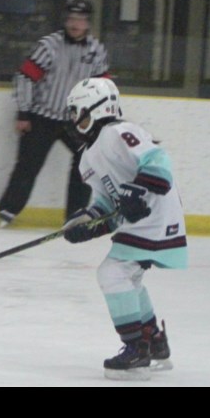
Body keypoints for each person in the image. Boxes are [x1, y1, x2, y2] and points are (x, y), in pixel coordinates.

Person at [62, 77, 186, 380]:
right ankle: (153, 341)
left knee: (113, 273)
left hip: (157, 217)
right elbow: (110, 206)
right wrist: (87, 222)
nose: (76, 120)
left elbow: (158, 162)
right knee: (126, 277)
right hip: (140, 222)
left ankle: (136, 349)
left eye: (80, 112)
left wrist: (137, 191)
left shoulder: (120, 132)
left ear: (99, 109)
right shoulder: (87, 159)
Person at [0, 0, 111, 228]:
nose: (75, 24)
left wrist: (100, 120)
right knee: (28, 166)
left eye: (81, 20)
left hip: (77, 121)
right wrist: (24, 113)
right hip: (43, 116)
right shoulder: (49, 45)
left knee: (86, 163)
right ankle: (7, 211)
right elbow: (25, 78)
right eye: (71, 19)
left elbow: (102, 88)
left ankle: (76, 215)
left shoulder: (96, 51)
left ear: (88, 23)